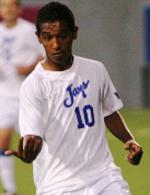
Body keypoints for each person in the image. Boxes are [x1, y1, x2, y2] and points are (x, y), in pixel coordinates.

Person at [6, 2, 143, 195]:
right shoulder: (33, 85)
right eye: (48, 37)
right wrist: (30, 151)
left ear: (75, 33)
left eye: (62, 35)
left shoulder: (96, 69)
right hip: (58, 185)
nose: (55, 44)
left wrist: (129, 140)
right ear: (38, 38)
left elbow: (109, 111)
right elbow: (32, 135)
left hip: (104, 178)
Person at [0, 0, 44, 194]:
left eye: (11, 5)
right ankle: (10, 190)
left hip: (26, 94)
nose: (8, 9)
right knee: (3, 141)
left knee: (34, 142)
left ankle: (47, 184)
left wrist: (29, 68)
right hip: (3, 95)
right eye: (3, 5)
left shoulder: (28, 31)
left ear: (19, 9)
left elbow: (44, 56)